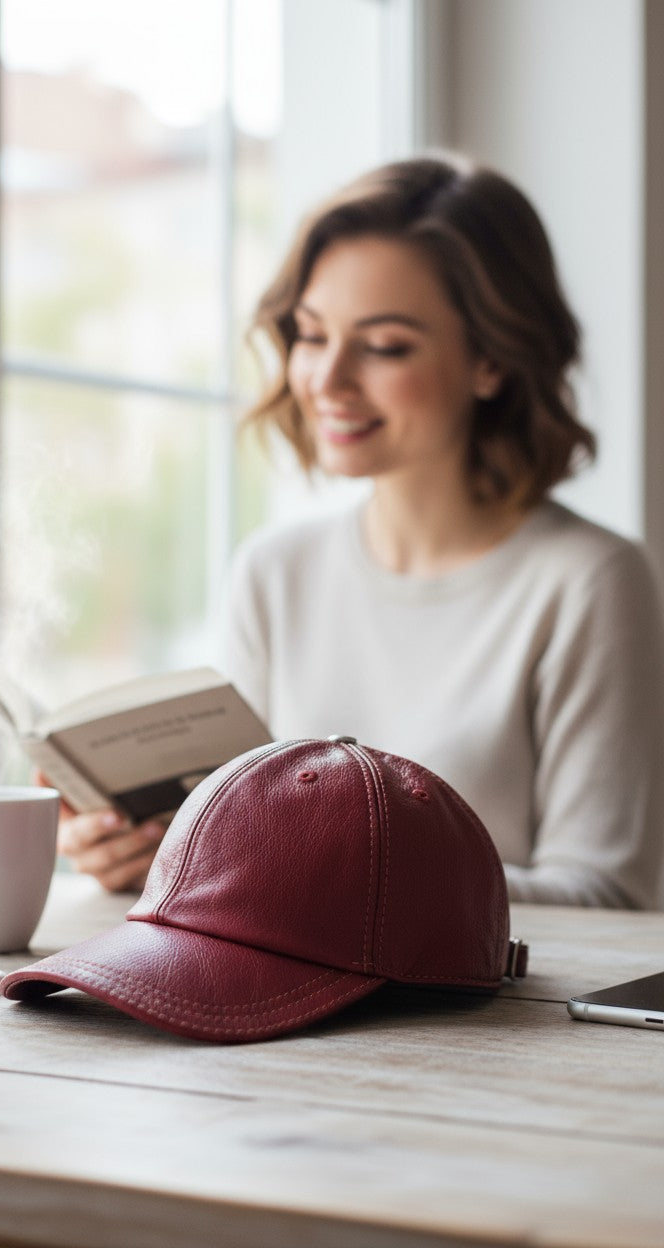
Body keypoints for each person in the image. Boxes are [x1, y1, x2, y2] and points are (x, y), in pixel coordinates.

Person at [58, 154, 664, 908]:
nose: (327, 380)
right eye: (311, 335)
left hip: (479, 1024)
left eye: (384, 346)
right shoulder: (275, 573)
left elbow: (607, 893)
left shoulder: (589, 581)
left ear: (492, 359)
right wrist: (153, 854)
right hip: (273, 1014)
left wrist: (317, 874)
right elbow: (241, 854)